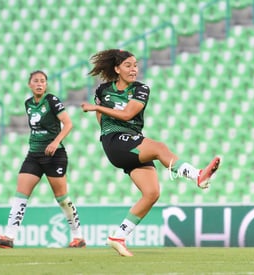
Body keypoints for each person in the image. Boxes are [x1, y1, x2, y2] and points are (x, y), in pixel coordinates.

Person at [81, 49, 220, 256]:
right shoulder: (102, 90)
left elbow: (128, 114)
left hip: (132, 141)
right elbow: (102, 124)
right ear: (117, 69)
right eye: (128, 65)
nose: (133, 69)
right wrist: (104, 123)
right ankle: (197, 175)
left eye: (135, 65)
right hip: (114, 141)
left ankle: (118, 236)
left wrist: (97, 109)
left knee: (152, 193)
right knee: (159, 148)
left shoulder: (141, 89)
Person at [0, 70, 86, 248]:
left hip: (54, 155)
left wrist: (56, 142)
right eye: (36, 81)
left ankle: (78, 236)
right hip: (33, 155)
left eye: (42, 81)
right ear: (29, 85)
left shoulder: (52, 101)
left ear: (46, 85)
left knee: (62, 198)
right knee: (20, 196)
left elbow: (69, 124)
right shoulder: (28, 104)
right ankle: (9, 237)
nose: (39, 84)